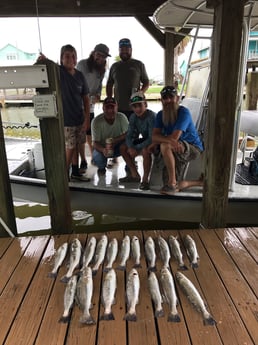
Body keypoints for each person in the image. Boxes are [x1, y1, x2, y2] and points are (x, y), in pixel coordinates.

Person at [37, 45, 91, 182]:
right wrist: (44, 60)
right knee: (70, 147)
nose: (70, 59)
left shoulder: (80, 75)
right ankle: (63, 175)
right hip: (66, 120)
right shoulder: (58, 72)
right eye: (67, 56)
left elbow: (86, 98)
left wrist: (87, 118)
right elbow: (48, 66)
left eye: (73, 56)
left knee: (78, 145)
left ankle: (75, 171)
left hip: (79, 117)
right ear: (61, 59)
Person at [152, 85, 204, 194]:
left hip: (192, 147)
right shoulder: (160, 115)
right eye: (165, 98)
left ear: (177, 98)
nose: (168, 100)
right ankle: (198, 182)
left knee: (164, 145)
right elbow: (154, 136)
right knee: (167, 186)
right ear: (162, 100)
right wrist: (166, 141)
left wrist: (164, 140)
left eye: (171, 97)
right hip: (174, 146)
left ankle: (172, 182)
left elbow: (174, 137)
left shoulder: (183, 112)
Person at [77, 43, 110, 172]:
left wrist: (98, 95)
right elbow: (76, 83)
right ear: (93, 53)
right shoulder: (82, 65)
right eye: (98, 55)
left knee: (90, 132)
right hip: (78, 105)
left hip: (89, 106)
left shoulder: (102, 70)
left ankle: (93, 157)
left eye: (103, 57)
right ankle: (83, 160)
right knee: (80, 134)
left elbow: (99, 86)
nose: (100, 58)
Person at [119, 92, 156, 190]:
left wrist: (137, 148)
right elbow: (129, 135)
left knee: (145, 150)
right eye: (134, 106)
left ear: (145, 104)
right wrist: (131, 147)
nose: (137, 109)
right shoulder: (133, 117)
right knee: (123, 147)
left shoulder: (151, 116)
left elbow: (152, 138)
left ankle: (145, 179)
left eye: (140, 105)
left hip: (157, 141)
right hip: (146, 139)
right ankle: (134, 175)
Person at [106, 38, 149, 119]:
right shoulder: (114, 66)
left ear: (131, 50)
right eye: (121, 49)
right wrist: (109, 99)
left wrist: (141, 92)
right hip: (118, 108)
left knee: (134, 130)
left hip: (135, 107)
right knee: (120, 131)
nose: (124, 52)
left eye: (126, 49)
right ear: (119, 50)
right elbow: (109, 84)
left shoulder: (139, 64)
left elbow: (146, 82)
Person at [91, 97, 129, 175]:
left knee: (130, 145)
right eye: (107, 107)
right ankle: (101, 168)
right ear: (103, 108)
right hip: (104, 148)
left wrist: (115, 140)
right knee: (97, 156)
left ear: (117, 108)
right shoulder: (96, 121)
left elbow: (129, 134)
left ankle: (129, 166)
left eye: (112, 107)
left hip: (118, 146)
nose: (110, 110)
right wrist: (103, 150)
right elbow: (94, 143)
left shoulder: (122, 117)